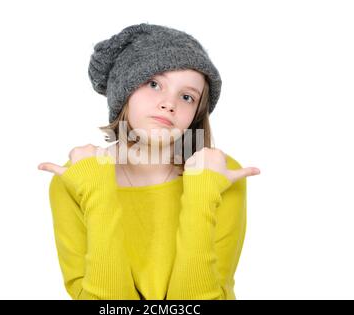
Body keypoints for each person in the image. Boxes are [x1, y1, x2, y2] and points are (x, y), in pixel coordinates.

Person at [38, 23, 261, 300]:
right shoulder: (79, 178)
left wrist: (203, 193)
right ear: (124, 91)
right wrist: (96, 192)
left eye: (187, 96)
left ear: (196, 113)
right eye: (154, 84)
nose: (169, 104)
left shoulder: (218, 174)